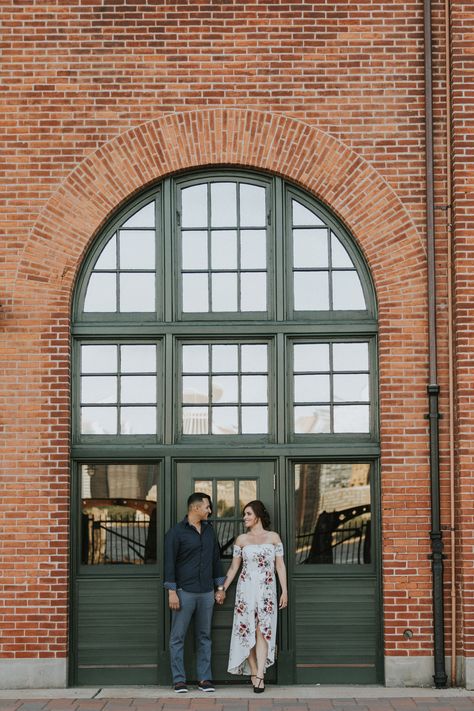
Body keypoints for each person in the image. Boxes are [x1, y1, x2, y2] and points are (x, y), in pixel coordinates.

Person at [223, 500, 287, 693]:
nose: (245, 518)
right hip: (246, 590)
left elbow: (280, 565)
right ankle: (253, 670)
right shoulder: (241, 540)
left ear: (258, 515)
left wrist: (284, 591)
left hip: (267, 589)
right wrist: (223, 588)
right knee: (247, 631)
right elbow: (234, 567)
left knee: (263, 630)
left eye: (248, 514)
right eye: (244, 515)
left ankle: (260, 674)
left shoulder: (274, 537)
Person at [164, 492, 226, 693]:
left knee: (204, 636)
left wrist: (219, 587)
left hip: (206, 593)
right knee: (177, 637)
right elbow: (169, 564)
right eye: (207, 507)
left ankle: (204, 679)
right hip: (184, 592)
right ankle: (179, 680)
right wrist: (172, 591)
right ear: (195, 508)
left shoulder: (209, 531)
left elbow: (216, 560)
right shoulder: (176, 532)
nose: (210, 510)